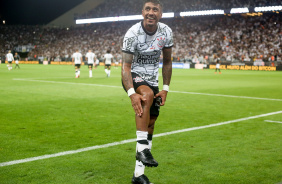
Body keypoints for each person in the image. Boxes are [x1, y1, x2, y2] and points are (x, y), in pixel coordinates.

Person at [121, 0, 173, 183]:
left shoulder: (166, 32)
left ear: (160, 14)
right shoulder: (132, 33)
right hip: (133, 76)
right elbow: (125, 67)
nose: (151, 12)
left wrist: (165, 88)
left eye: (155, 9)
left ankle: (138, 175)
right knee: (147, 96)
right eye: (148, 9)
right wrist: (131, 93)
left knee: (150, 124)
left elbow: (167, 62)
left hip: (153, 80)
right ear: (142, 12)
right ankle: (143, 149)